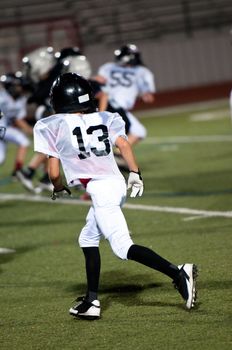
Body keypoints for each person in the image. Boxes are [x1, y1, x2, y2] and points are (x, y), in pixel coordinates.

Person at [33, 73, 198, 320]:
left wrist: (57, 187)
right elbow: (124, 145)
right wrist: (135, 173)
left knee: (122, 247)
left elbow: (54, 173)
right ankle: (91, 300)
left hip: (101, 191)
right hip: (116, 183)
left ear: (58, 100)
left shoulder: (50, 125)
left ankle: (178, 273)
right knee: (87, 239)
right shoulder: (106, 116)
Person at [96, 44, 155, 150]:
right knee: (139, 131)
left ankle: (116, 154)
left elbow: (98, 83)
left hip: (102, 104)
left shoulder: (108, 67)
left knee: (104, 133)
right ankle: (117, 153)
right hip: (117, 108)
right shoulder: (142, 72)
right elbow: (149, 98)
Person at [0, 72, 33, 177]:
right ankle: (17, 172)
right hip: (2, 127)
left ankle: (17, 172)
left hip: (5, 128)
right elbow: (17, 120)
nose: (19, 88)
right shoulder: (2, 98)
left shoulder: (20, 99)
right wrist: (31, 130)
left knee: (0, 159)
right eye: (17, 86)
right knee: (23, 140)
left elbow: (18, 118)